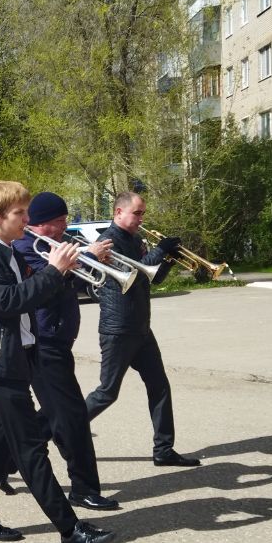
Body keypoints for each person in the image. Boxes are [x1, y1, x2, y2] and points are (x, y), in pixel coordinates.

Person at [0, 179, 119, 543]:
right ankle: (70, 531)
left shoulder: (10, 254)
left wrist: (63, 272)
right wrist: (55, 270)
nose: (27, 219)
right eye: (20, 213)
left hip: (21, 356)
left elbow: (35, 298)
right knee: (31, 448)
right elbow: (6, 301)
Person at [12, 191, 119, 511]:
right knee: (72, 417)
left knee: (52, 414)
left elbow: (76, 281)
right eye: (57, 222)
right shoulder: (25, 247)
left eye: (63, 221)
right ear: (40, 223)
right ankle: (84, 487)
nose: (63, 228)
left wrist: (91, 265)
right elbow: (50, 279)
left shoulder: (56, 245)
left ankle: (4, 461)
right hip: (43, 343)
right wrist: (85, 254)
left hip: (58, 341)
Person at [84, 192, 200, 468]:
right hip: (118, 329)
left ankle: (164, 450)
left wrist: (169, 258)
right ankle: (49, 432)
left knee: (159, 386)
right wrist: (160, 250)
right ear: (118, 213)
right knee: (107, 392)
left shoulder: (135, 240)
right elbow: (134, 274)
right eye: (136, 213)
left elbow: (152, 277)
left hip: (141, 328)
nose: (141, 219)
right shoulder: (106, 242)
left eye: (142, 213)